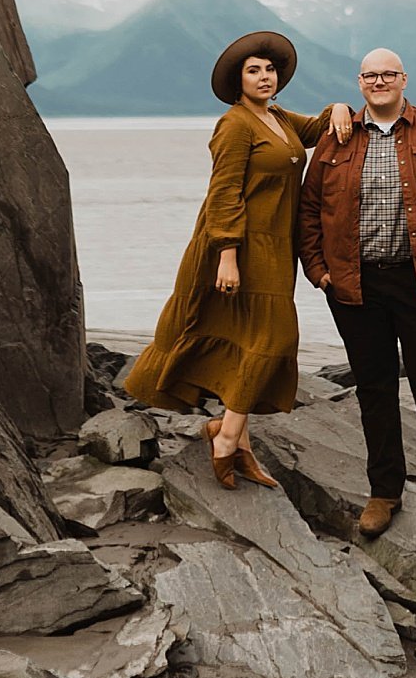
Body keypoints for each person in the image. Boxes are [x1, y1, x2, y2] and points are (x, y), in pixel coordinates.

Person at [124, 30, 352, 489]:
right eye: (254, 71)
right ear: (238, 80)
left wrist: (342, 107)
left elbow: (321, 126)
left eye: (269, 69)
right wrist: (227, 256)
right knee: (274, 338)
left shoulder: (278, 119)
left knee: (252, 341)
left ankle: (238, 440)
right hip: (238, 247)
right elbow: (224, 192)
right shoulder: (235, 125)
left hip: (275, 249)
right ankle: (227, 438)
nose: (265, 77)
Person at [298, 47, 416, 537]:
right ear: (359, 83)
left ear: (404, 79)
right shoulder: (335, 139)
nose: (379, 81)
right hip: (355, 285)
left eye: (388, 74)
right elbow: (309, 209)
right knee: (374, 389)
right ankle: (384, 493)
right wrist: (319, 271)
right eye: (369, 75)